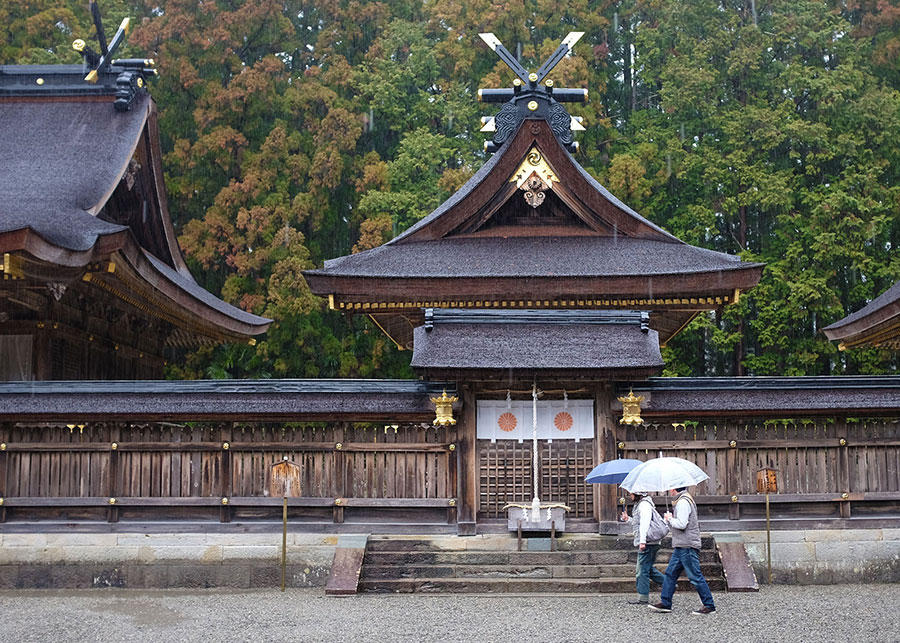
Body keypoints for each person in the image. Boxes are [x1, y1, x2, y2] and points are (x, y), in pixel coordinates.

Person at [648, 487, 717, 615]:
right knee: (670, 574)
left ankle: (709, 605)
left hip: (687, 545)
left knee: (695, 576)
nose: (668, 489)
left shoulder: (683, 502)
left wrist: (669, 519)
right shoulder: (683, 500)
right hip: (682, 545)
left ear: (674, 488)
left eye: (670, 487)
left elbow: (682, 524)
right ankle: (665, 603)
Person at [620, 492, 666, 605]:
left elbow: (645, 523)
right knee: (647, 568)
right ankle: (668, 583)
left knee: (641, 570)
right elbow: (639, 523)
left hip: (648, 542)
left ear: (637, 493)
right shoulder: (641, 504)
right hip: (650, 541)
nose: (630, 495)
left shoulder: (644, 505)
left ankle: (643, 597)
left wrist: (642, 541)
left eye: (631, 493)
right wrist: (628, 519)